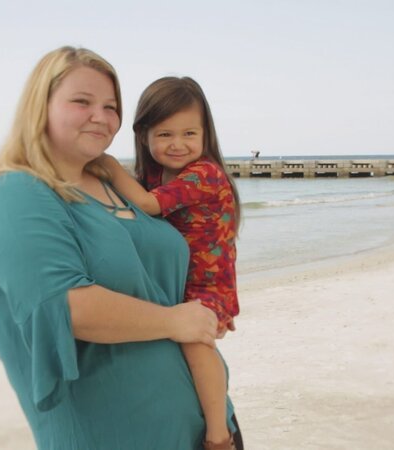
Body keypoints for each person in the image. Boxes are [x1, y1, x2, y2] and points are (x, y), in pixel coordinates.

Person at [0, 46, 242, 449]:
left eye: (111, 106)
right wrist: (176, 321)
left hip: (207, 431)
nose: (101, 116)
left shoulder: (117, 187)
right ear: (38, 107)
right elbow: (65, 306)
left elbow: (175, 264)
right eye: (82, 101)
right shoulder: (16, 194)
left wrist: (211, 301)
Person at [98, 76, 241, 450]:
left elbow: (146, 205)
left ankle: (218, 433)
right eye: (164, 135)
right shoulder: (153, 175)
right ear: (143, 133)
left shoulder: (205, 174)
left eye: (189, 133)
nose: (178, 145)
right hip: (179, 281)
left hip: (208, 284)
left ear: (205, 133)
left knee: (197, 345)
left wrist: (108, 165)